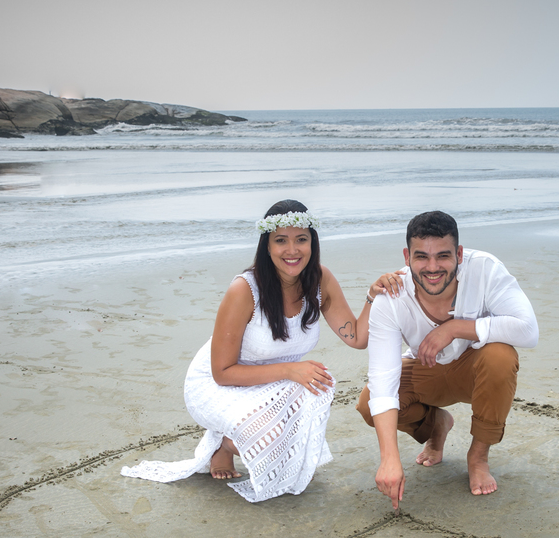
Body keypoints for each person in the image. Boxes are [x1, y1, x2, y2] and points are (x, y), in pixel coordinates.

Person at [123, 200, 400, 502]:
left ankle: (235, 437)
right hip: (217, 384)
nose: (292, 250)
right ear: (267, 246)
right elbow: (222, 372)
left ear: (312, 243)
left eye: (301, 240)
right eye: (281, 240)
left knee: (315, 387)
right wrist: (291, 370)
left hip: (271, 383)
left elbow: (357, 337)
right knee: (268, 438)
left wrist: (373, 296)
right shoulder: (244, 289)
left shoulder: (320, 280)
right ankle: (224, 445)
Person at [357, 210, 538, 507]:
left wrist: (455, 328)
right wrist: (389, 460)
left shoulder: (485, 270)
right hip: (427, 370)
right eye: (421, 257)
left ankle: (478, 458)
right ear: (406, 256)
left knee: (501, 355)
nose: (432, 267)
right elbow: (383, 380)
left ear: (459, 254)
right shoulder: (391, 296)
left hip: (476, 370)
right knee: (368, 403)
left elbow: (528, 330)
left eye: (443, 256)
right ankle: (437, 425)